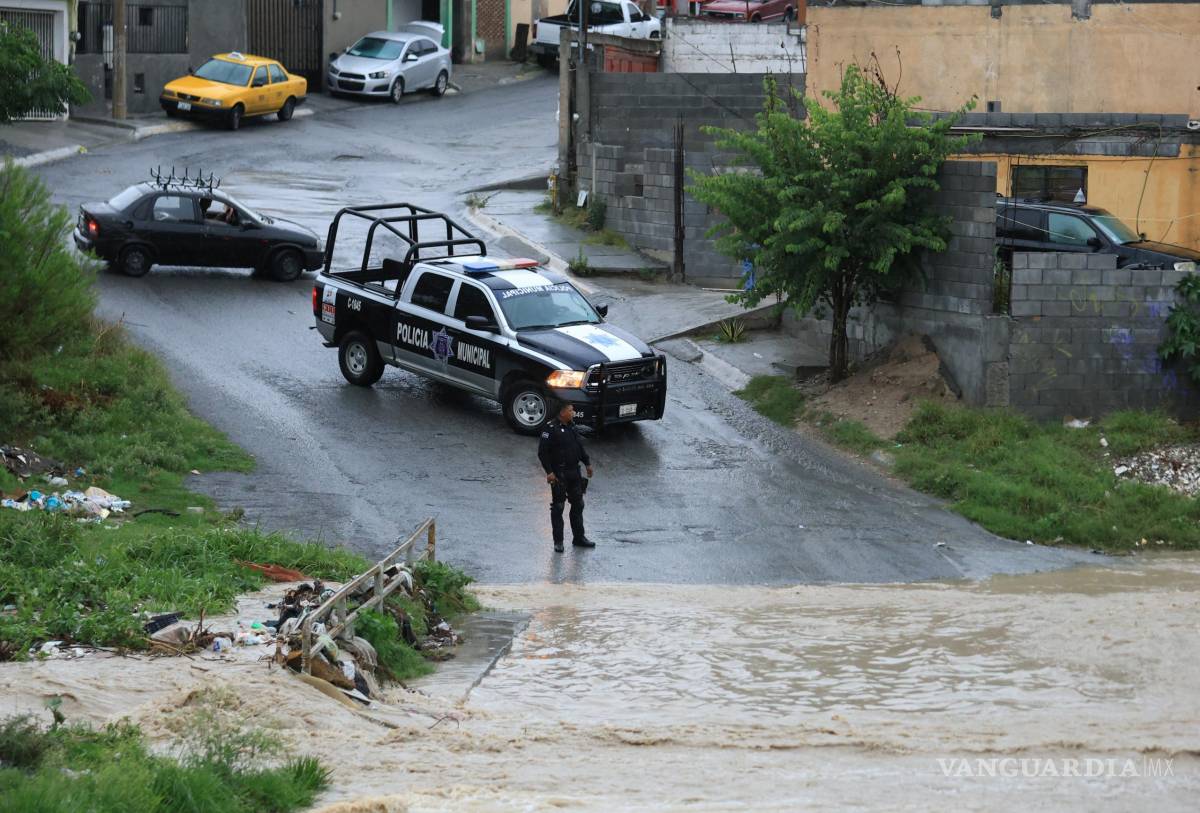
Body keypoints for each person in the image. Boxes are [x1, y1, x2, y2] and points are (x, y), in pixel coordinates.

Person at [537, 402, 595, 552]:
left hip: (574, 472)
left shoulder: (572, 426)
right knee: (558, 507)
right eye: (571, 410)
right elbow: (542, 452)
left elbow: (579, 447)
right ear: (562, 412)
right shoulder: (550, 428)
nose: (573, 412)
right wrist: (549, 472)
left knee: (578, 505)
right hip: (559, 474)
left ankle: (579, 537)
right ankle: (558, 541)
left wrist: (587, 463)